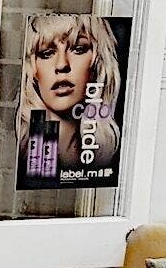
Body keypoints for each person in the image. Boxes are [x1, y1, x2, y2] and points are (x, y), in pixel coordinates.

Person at [17, 13, 122, 187]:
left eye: (78, 49)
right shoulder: (26, 154)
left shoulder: (107, 155)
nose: (62, 65)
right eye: (46, 53)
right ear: (32, 69)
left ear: (97, 63)